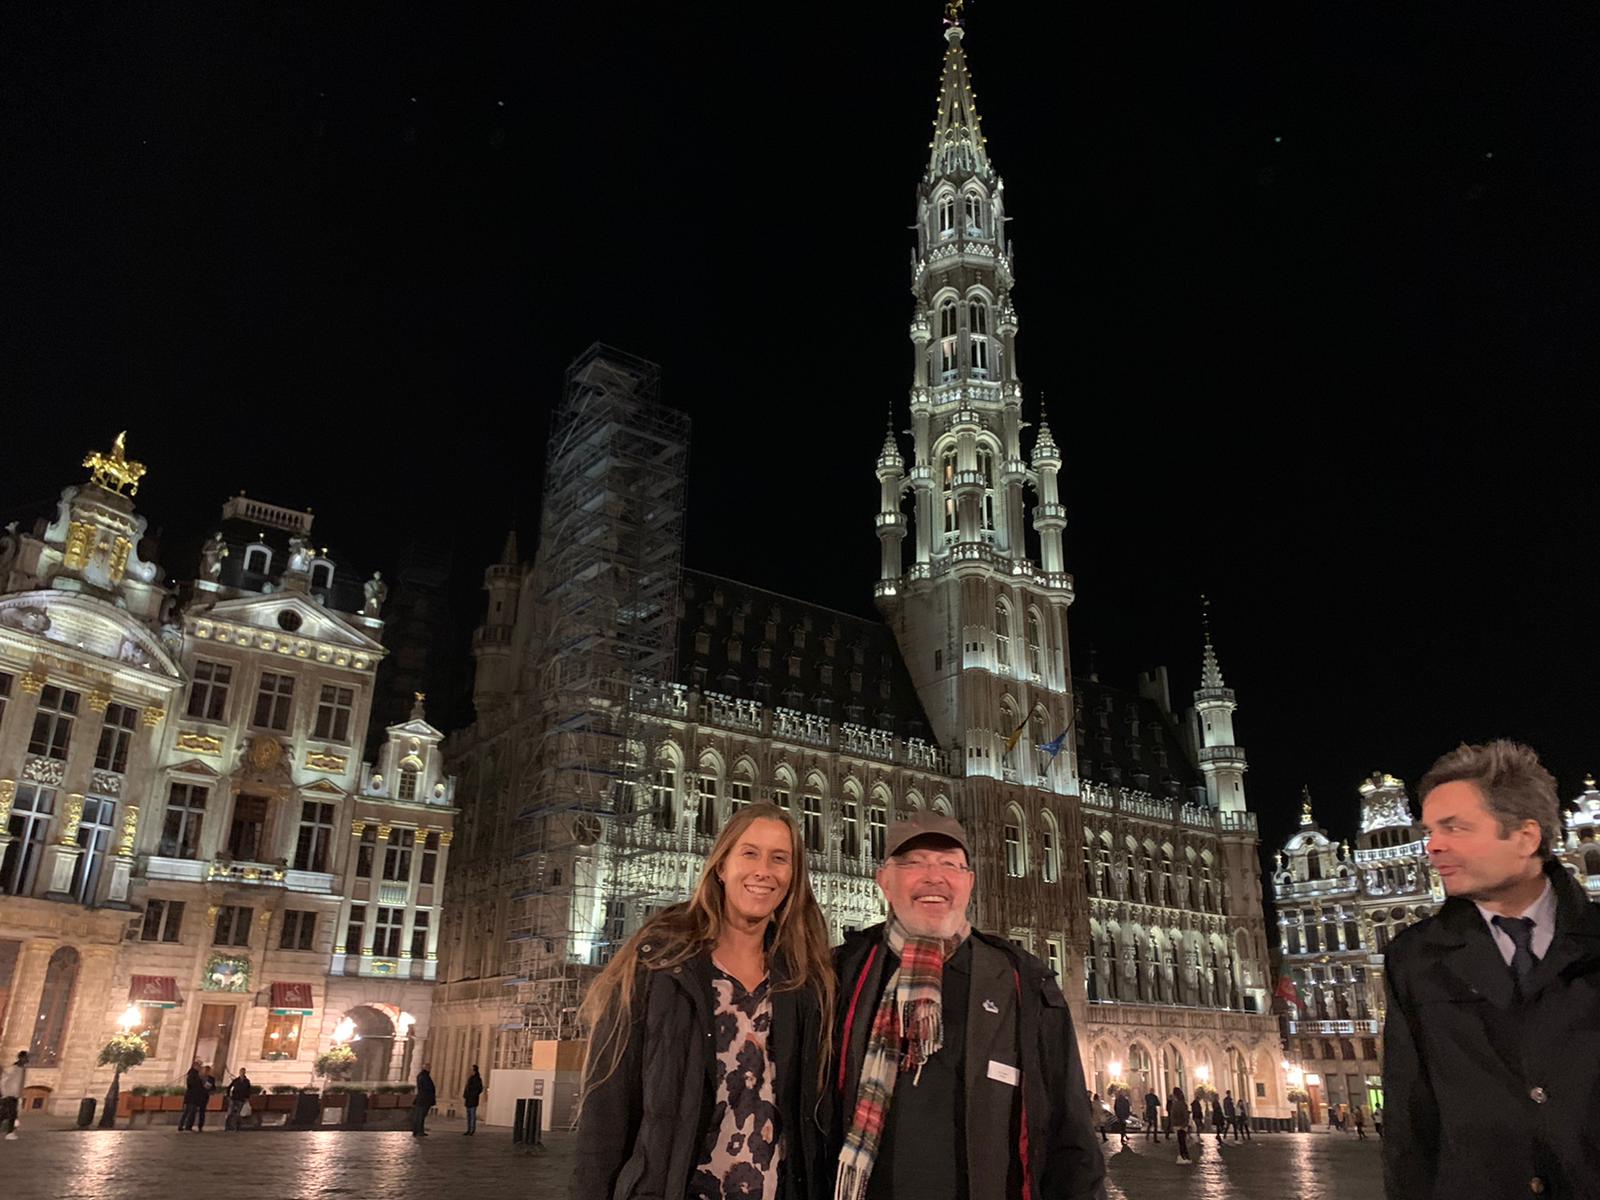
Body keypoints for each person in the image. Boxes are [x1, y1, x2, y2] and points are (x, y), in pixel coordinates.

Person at [832, 810, 1105, 1200]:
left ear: (970, 883)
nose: (934, 877)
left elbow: (1071, 1138)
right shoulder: (839, 976)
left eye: (950, 865)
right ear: (884, 881)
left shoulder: (1024, 983)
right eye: (914, 863)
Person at [571, 802, 834, 1200]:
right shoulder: (659, 966)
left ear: (793, 877)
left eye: (780, 859)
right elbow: (605, 1115)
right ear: (721, 866)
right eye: (749, 853)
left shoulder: (803, 981)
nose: (764, 871)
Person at [1384, 740, 1600, 1200]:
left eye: (1455, 828)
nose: (1433, 846)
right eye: (1430, 830)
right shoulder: (1416, 958)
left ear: (1526, 837)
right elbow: (1410, 1131)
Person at [0, 1051, 27, 1140]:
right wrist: (4, 1093)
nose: (26, 1060)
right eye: (25, 1058)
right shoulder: (12, 1068)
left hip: (15, 1096)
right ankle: (10, 1133)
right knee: (11, 1114)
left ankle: (10, 1132)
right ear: (20, 1058)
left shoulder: (23, 1070)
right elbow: (3, 1081)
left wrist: (20, 1096)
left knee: (5, 1114)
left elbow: (21, 1084)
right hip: (8, 1095)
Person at [178, 1059, 207, 1132]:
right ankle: (187, 1126)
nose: (200, 1067)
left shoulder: (195, 1074)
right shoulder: (193, 1074)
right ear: (195, 1066)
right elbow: (193, 1084)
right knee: (190, 1112)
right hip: (192, 1096)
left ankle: (183, 1125)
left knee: (188, 1112)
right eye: (199, 1066)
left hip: (192, 1096)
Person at [1168, 1087, 1191, 1164]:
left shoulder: (1176, 1104)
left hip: (1179, 1125)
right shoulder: (1182, 1103)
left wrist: (1173, 1124)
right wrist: (1185, 1124)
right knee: (1182, 1141)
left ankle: (1183, 1156)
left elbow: (1173, 1115)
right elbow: (1186, 1115)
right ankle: (1185, 1156)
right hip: (1182, 1125)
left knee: (1181, 1142)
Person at [412, 1063, 436, 1138]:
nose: (430, 1069)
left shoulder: (422, 1076)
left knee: (420, 1115)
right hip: (424, 1099)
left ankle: (418, 1130)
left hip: (422, 1099)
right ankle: (419, 1131)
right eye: (429, 1067)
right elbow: (427, 1087)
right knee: (420, 1116)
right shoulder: (424, 1076)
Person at [463, 1065, 484, 1136]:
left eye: (471, 1070)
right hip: (469, 1099)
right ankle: (469, 1129)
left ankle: (472, 1129)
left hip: (473, 1099)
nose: (470, 1071)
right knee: (469, 1115)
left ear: (474, 1070)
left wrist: (474, 1094)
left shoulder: (477, 1079)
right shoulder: (470, 1078)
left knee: (472, 1115)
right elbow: (467, 1088)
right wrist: (465, 1095)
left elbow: (480, 1089)